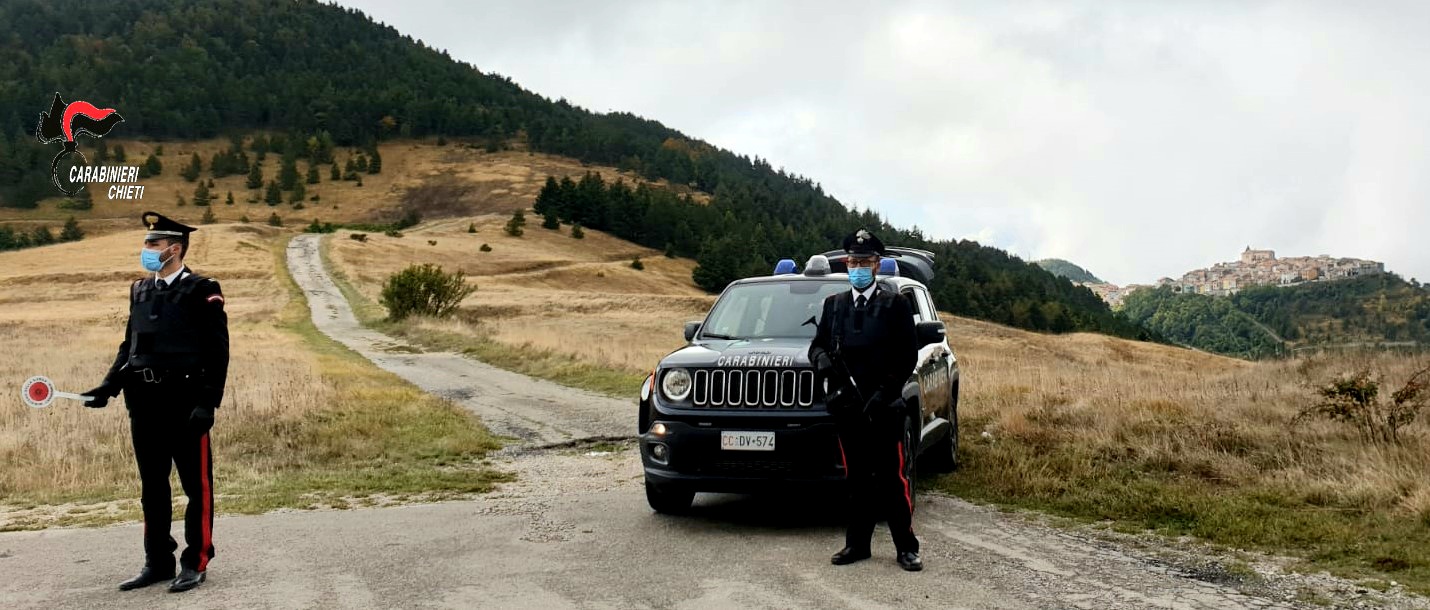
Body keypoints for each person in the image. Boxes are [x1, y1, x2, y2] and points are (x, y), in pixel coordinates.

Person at [82, 211, 229, 592]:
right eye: (146, 242)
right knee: (152, 487)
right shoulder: (140, 290)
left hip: (186, 402)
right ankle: (159, 561)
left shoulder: (202, 289)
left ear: (174, 249)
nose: (146, 249)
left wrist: (208, 403)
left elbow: (218, 351)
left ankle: (196, 561)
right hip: (144, 403)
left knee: (196, 487)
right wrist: (108, 386)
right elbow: (130, 346)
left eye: (153, 243)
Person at [810, 228, 922, 571]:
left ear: (876, 265)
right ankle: (857, 545)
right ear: (847, 264)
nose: (858, 267)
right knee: (857, 480)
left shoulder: (895, 305)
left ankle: (906, 548)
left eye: (865, 262)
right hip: (849, 410)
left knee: (892, 481)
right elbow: (817, 346)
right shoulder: (834, 305)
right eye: (853, 262)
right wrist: (821, 359)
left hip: (884, 409)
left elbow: (907, 355)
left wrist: (884, 393)